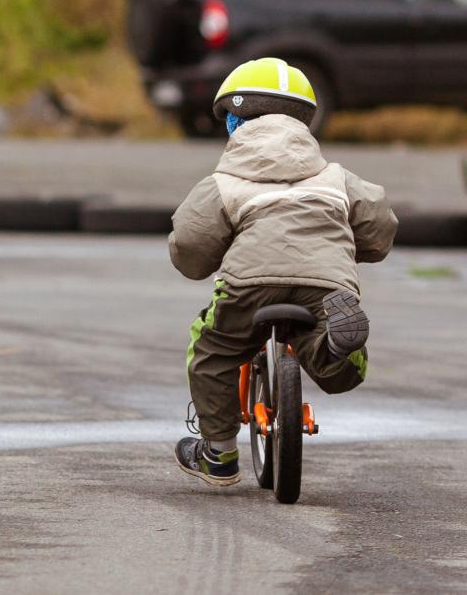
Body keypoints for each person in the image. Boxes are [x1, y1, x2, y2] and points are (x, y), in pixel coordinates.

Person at [169, 57, 396, 486]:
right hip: (327, 283)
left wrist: (202, 262)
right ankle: (331, 348)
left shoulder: (226, 181)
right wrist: (355, 253)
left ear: (235, 120)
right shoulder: (336, 178)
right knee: (326, 345)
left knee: (212, 350)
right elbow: (380, 228)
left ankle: (217, 454)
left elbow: (189, 245)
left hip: (249, 284)